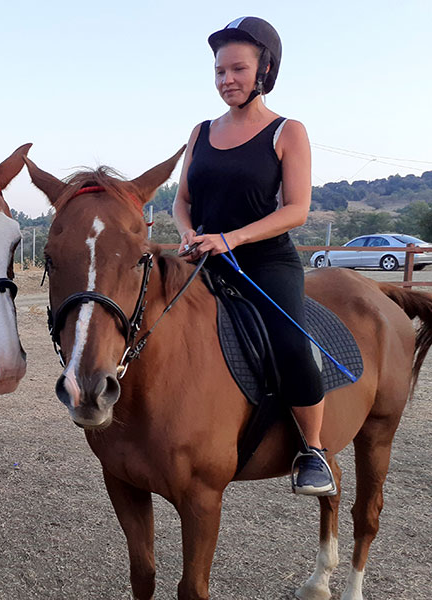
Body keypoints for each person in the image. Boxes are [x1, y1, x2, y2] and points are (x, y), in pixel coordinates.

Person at [172, 16, 335, 495]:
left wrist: (232, 238)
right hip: (203, 256)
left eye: (238, 69)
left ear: (265, 69)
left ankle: (314, 450)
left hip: (266, 262)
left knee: (289, 341)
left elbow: (297, 210)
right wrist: (187, 232)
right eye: (220, 71)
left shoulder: (288, 131)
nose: (227, 80)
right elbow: (182, 201)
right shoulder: (200, 133)